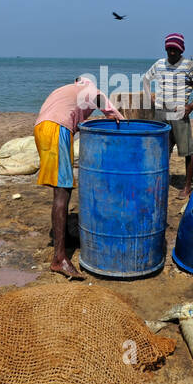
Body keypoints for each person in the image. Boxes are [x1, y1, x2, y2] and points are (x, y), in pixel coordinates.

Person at [35, 77, 124, 279]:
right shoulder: (88, 90)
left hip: (42, 128)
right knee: (62, 192)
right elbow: (100, 99)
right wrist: (119, 118)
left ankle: (62, 240)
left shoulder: (65, 92)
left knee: (60, 188)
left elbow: (76, 119)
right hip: (57, 130)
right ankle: (59, 258)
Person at [142, 33, 193, 198]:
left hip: (179, 113)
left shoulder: (190, 66)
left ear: (181, 50)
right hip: (160, 113)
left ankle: (187, 187)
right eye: (169, 49)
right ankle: (160, 181)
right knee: (160, 150)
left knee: (187, 150)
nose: (172, 52)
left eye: (175, 50)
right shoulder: (159, 64)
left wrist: (191, 106)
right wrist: (150, 98)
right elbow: (145, 79)